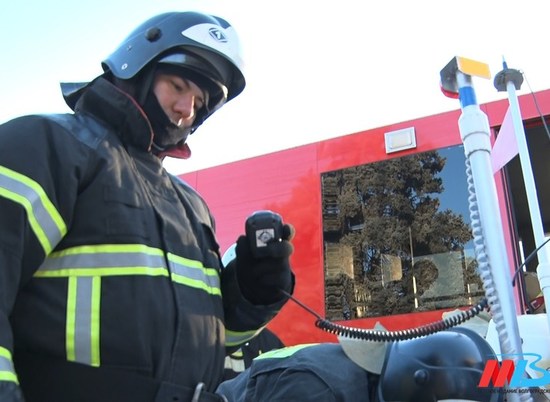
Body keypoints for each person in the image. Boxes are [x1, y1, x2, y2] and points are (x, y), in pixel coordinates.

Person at [0, 11, 295, 402]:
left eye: (201, 101)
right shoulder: (46, 144)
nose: (187, 109)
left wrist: (253, 291)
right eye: (178, 85)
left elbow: (212, 340)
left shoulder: (191, 205)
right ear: (136, 67)